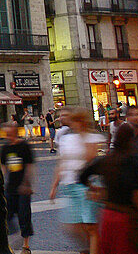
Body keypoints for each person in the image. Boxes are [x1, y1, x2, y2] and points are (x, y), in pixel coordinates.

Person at [81, 122, 138, 254]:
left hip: (108, 215)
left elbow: (82, 176)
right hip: (127, 216)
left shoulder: (107, 160)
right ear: (131, 139)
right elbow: (137, 193)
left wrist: (94, 188)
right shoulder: (134, 159)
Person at [49, 108, 101, 254]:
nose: (74, 124)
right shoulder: (65, 138)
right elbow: (62, 162)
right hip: (69, 184)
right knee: (72, 225)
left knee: (90, 226)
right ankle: (89, 248)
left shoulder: (91, 137)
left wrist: (83, 135)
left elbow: (91, 158)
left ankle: (92, 249)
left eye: (77, 121)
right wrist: (54, 185)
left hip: (87, 185)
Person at [0, 122, 35, 254]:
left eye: (10, 133)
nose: (8, 136)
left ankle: (26, 246)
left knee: (24, 215)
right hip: (10, 187)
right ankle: (15, 234)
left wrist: (27, 184)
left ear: (15, 132)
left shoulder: (23, 146)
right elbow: (3, 167)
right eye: (6, 134)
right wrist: (1, 183)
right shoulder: (5, 148)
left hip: (23, 187)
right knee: (7, 214)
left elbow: (30, 165)